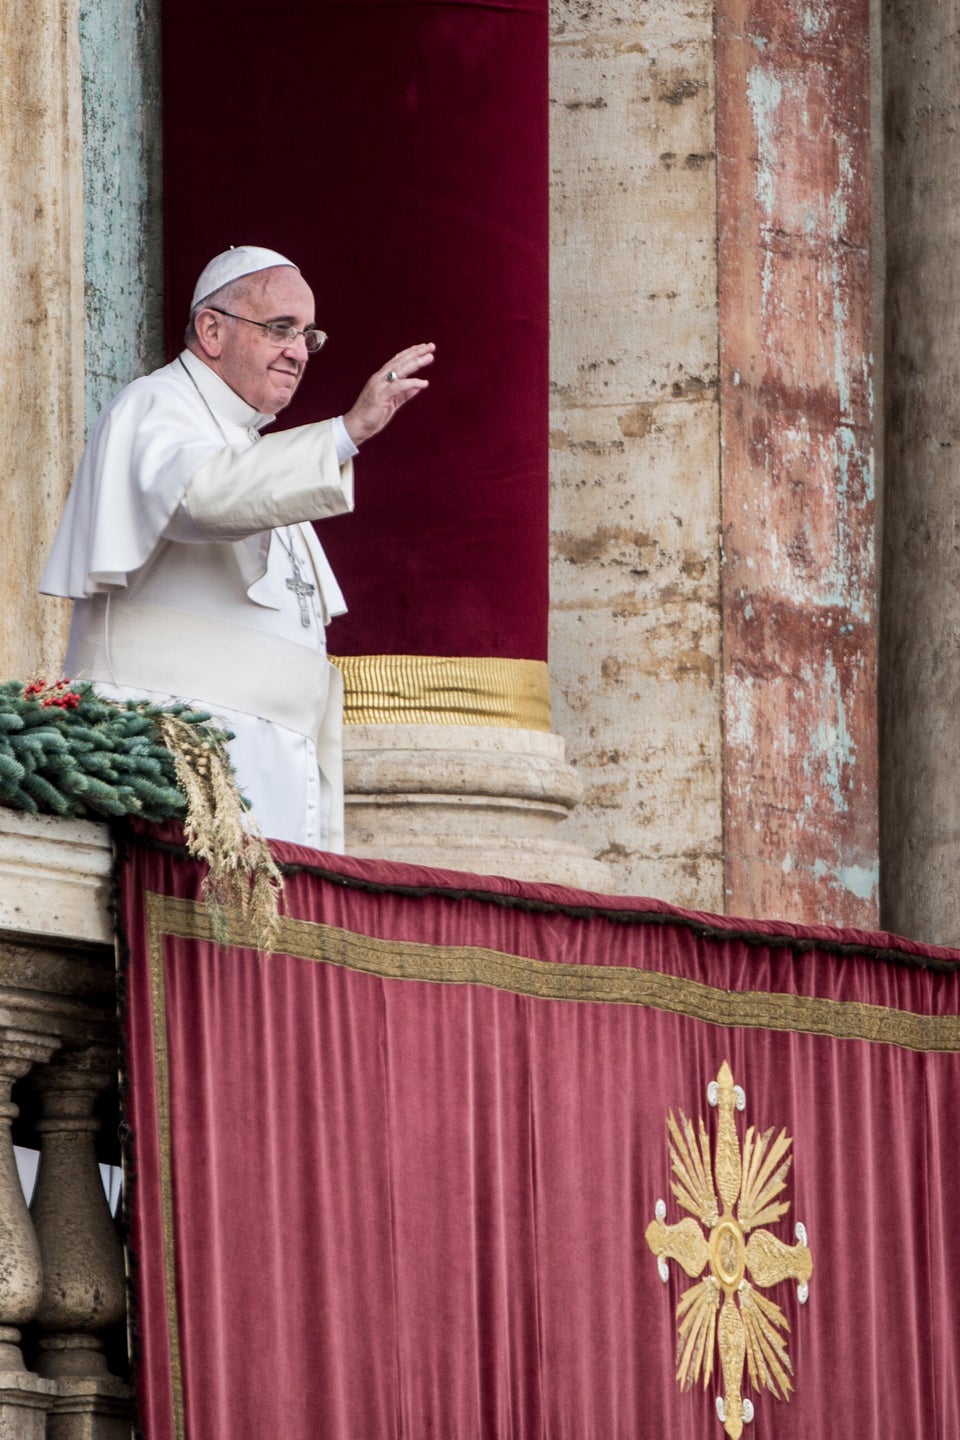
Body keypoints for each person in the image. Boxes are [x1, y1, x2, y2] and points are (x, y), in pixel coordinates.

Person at [41, 245, 434, 850]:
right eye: (280, 329)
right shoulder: (155, 406)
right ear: (212, 329)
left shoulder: (249, 442)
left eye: (308, 335)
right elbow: (203, 498)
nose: (299, 352)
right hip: (177, 752)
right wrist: (346, 432)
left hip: (271, 765)